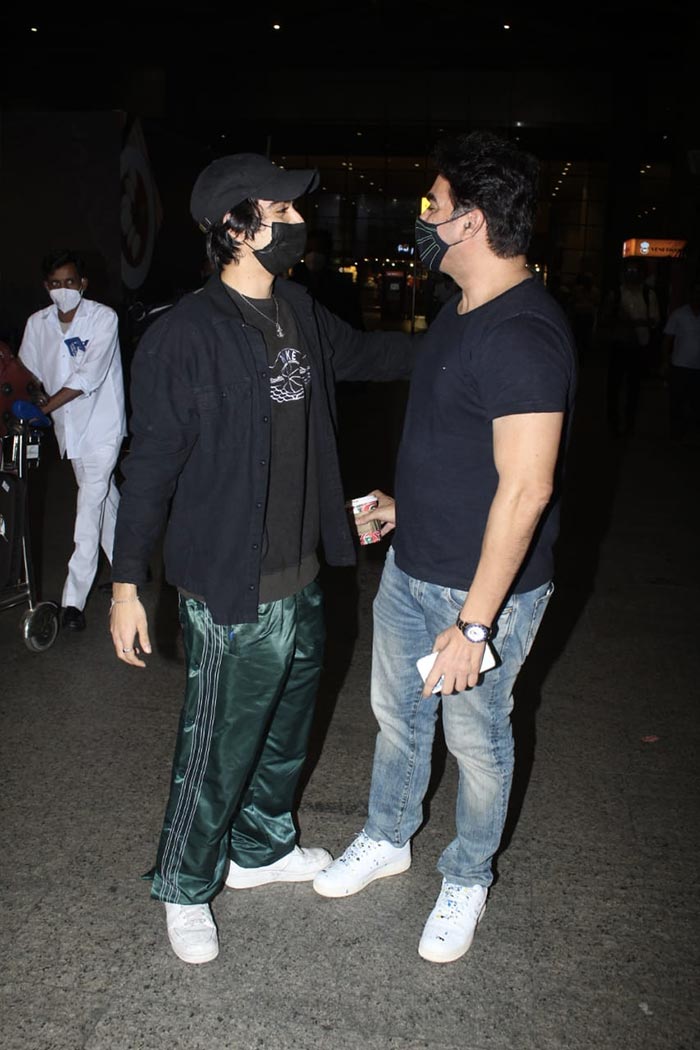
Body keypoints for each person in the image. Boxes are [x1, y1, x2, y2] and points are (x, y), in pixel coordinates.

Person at [108, 153, 414, 965]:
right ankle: (183, 882)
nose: (296, 222)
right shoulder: (185, 335)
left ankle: (262, 848)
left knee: (284, 731)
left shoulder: (301, 313)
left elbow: (374, 358)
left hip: (305, 569)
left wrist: (467, 330)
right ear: (234, 227)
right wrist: (127, 582)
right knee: (217, 744)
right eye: (280, 209)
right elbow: (148, 470)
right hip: (230, 583)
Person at [313, 131, 577, 965]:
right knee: (397, 719)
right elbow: (460, 449)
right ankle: (390, 837)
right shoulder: (463, 312)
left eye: (432, 204)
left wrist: (473, 627)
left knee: (476, 738)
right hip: (412, 567)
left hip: (477, 599)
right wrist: (404, 505)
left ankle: (467, 875)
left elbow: (527, 488)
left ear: (470, 223)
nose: (422, 216)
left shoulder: (524, 334)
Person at [18, 250, 126, 630]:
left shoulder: (103, 318)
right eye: (55, 284)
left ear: (83, 284)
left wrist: (43, 410)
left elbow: (87, 377)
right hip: (69, 431)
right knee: (103, 499)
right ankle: (129, 565)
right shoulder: (38, 323)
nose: (63, 290)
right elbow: (28, 372)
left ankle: (72, 603)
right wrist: (33, 399)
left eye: (70, 282)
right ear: (46, 287)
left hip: (102, 426)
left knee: (88, 507)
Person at [603, 262, 660, 436]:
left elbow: (654, 320)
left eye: (635, 271)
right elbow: (606, 318)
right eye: (629, 271)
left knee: (634, 388)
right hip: (619, 345)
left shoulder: (648, 294)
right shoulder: (617, 293)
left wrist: (632, 322)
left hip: (638, 347)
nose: (632, 274)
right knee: (614, 387)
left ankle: (629, 424)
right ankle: (613, 423)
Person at [290, 228, 365, 329]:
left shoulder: (343, 289)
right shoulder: (292, 286)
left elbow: (354, 325)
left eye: (319, 250)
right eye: (309, 250)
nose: (313, 255)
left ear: (328, 253)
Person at [662, 279, 700, 442]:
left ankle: (690, 433)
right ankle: (676, 433)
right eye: (696, 292)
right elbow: (667, 340)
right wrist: (664, 362)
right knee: (677, 401)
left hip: (697, 368)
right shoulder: (679, 314)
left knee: (695, 402)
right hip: (680, 366)